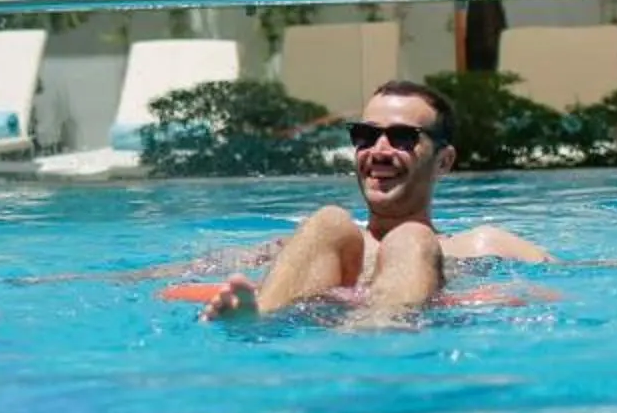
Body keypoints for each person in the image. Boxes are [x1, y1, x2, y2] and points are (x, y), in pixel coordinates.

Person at [200, 78, 550, 324]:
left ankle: (381, 329)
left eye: (402, 138)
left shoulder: (481, 244)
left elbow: (584, 285)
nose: (379, 151)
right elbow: (161, 281)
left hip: (404, 342)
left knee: (411, 238)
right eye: (365, 136)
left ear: (444, 161)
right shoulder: (306, 245)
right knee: (329, 220)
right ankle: (261, 323)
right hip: (305, 335)